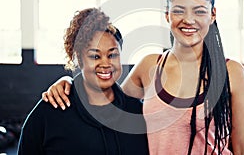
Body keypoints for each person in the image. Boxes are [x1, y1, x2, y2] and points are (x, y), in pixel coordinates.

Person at [42, 0, 244, 155]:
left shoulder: (231, 73)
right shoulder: (149, 66)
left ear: (213, 15)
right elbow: (109, 104)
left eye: (199, 11)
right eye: (179, 10)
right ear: (167, 15)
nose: (189, 20)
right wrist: (68, 80)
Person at [18, 8, 149, 155]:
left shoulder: (137, 112)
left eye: (112, 55)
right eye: (95, 56)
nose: (106, 64)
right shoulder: (49, 112)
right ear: (78, 59)